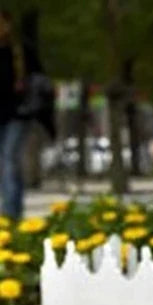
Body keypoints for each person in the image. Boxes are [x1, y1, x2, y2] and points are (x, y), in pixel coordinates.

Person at [0, 11, 53, 221]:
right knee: (4, 162)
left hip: (17, 114)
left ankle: (11, 213)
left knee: (10, 159)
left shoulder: (21, 52)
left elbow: (41, 82)